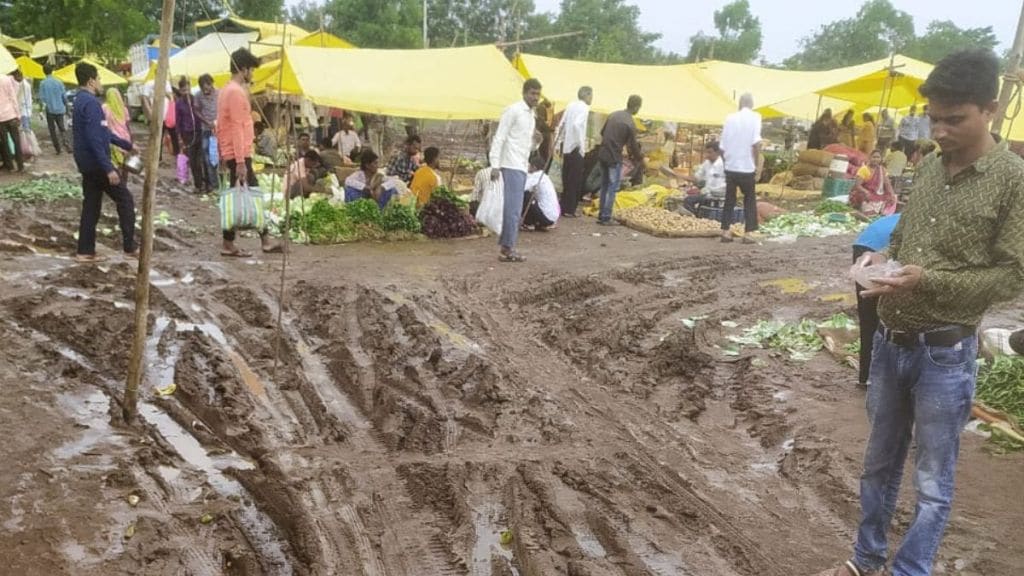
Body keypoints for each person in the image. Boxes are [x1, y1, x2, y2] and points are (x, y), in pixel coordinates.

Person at [821, 49, 1024, 576]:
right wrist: (880, 260)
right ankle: (865, 561)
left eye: (954, 119)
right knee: (878, 465)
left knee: (933, 481)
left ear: (991, 110)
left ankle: (910, 570)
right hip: (893, 341)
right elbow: (908, 238)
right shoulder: (930, 168)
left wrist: (928, 280)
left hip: (946, 354)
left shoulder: (1012, 180)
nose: (940, 130)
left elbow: (1016, 273)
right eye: (934, 118)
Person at [72, 62, 138, 263]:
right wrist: (109, 168)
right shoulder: (91, 104)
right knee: (125, 199)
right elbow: (94, 139)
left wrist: (125, 144)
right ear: (91, 81)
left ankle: (85, 250)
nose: (101, 83)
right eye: (99, 79)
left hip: (86, 163)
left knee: (91, 205)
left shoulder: (80, 101)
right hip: (96, 164)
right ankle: (130, 246)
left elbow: (103, 133)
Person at [216, 48, 279, 257]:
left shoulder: (227, 90)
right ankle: (264, 239)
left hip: (233, 153)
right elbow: (235, 126)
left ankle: (232, 241)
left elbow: (221, 125)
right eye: (251, 69)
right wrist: (240, 161)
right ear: (243, 69)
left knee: (242, 193)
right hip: (238, 153)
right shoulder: (234, 92)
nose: (252, 74)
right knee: (251, 194)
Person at [489, 78, 541, 263]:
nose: (535, 97)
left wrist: (537, 141)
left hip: (520, 164)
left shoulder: (531, 116)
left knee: (515, 209)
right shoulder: (514, 111)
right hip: (510, 164)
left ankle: (507, 245)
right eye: (532, 93)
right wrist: (495, 164)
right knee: (513, 209)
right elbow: (500, 137)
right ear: (524, 93)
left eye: (538, 94)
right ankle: (508, 249)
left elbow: (525, 145)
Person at [851, 213, 901, 387]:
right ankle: (876, 378)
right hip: (878, 248)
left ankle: (866, 377)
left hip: (866, 243)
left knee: (869, 318)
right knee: (879, 316)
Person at [719, 93, 762, 243]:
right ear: (751, 104)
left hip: (731, 166)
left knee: (729, 199)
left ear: (739, 103)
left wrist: (727, 162)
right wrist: (756, 163)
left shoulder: (729, 118)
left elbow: (722, 147)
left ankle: (725, 231)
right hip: (746, 167)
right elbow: (756, 143)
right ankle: (748, 233)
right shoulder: (755, 117)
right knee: (749, 199)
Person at [596, 95, 643, 226]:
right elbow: (632, 146)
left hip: (603, 154)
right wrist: (639, 158)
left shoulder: (613, 115)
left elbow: (602, 133)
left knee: (604, 185)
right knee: (613, 187)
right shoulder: (630, 123)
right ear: (636, 107)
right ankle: (606, 216)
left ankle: (601, 214)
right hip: (614, 157)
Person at [553, 85, 592, 218]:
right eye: (591, 96)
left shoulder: (571, 105)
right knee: (575, 180)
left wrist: (559, 144)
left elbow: (562, 125)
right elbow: (577, 125)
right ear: (587, 95)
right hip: (576, 148)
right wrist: (580, 145)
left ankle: (564, 207)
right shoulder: (584, 108)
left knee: (567, 178)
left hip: (567, 148)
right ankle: (570, 209)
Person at [680, 141, 726, 215]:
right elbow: (697, 178)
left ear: (717, 152)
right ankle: (695, 217)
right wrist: (680, 176)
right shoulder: (707, 163)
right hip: (707, 194)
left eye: (709, 152)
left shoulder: (724, 165)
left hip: (719, 195)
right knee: (690, 200)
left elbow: (725, 185)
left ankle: (695, 217)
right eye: (706, 152)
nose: (706, 155)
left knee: (689, 200)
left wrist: (710, 191)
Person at [174, 77, 203, 192]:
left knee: (201, 159)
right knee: (193, 160)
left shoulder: (195, 100)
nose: (186, 92)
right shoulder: (179, 103)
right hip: (188, 134)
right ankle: (198, 185)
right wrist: (180, 138)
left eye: (187, 89)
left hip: (199, 131)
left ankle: (205, 183)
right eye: (183, 90)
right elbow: (178, 121)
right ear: (180, 91)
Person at [849, 149, 896, 217]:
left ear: (881, 159)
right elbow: (857, 185)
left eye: (878, 157)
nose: (876, 159)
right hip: (866, 197)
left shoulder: (882, 170)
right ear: (869, 158)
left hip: (878, 197)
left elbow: (887, 184)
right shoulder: (864, 169)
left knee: (890, 201)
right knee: (869, 216)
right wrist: (866, 192)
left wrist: (892, 195)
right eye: (874, 157)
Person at [194, 74, 219, 192]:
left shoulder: (219, 94)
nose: (205, 91)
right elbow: (196, 110)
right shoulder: (198, 96)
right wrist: (206, 121)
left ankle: (219, 183)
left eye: (207, 87)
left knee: (218, 157)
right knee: (207, 157)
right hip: (206, 130)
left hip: (218, 130)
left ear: (211, 84)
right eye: (203, 88)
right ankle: (211, 184)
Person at [522, 155, 561, 231]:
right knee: (531, 197)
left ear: (534, 167)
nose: (528, 167)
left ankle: (529, 223)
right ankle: (537, 222)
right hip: (552, 216)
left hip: (547, 216)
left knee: (526, 195)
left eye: (529, 165)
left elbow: (522, 188)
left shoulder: (537, 176)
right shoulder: (544, 176)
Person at [102, 87, 132, 177]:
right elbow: (127, 124)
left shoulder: (104, 108)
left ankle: (118, 183)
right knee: (126, 163)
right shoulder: (124, 109)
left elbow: (103, 123)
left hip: (113, 140)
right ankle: (124, 183)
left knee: (115, 163)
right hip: (125, 139)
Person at [39, 64, 67, 154]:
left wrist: (40, 110)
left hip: (50, 110)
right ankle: (67, 145)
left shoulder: (43, 83)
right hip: (60, 108)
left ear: (44, 71)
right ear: (52, 71)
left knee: (52, 130)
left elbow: (42, 98)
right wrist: (67, 106)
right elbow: (64, 96)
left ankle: (58, 149)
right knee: (62, 128)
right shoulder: (59, 82)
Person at [0, 72, 24, 172]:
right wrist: (18, 115)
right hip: (11, 115)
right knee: (16, 141)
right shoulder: (6, 79)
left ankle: (10, 167)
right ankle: (20, 166)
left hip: (0, 119)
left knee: (5, 143)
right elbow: (13, 97)